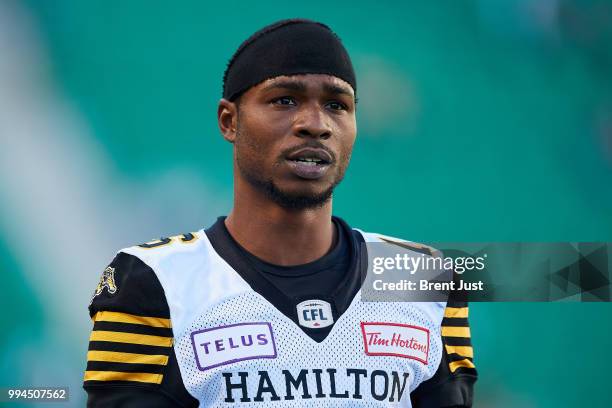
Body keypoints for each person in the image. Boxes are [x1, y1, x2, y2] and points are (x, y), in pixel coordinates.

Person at [83, 18, 476, 407]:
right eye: (285, 99)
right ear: (229, 121)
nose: (315, 124)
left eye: (337, 105)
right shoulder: (154, 281)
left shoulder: (424, 278)